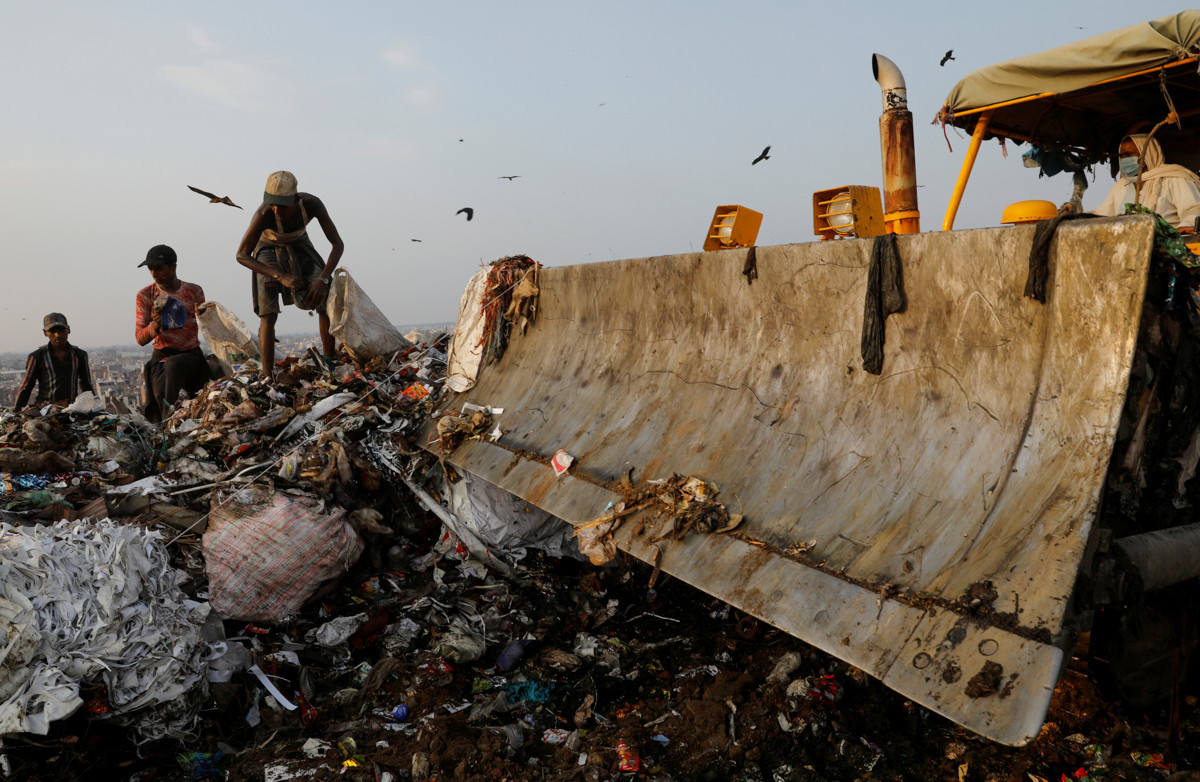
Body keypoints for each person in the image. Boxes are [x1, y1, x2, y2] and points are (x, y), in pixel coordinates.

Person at [235, 170, 344, 379]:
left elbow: (337, 244)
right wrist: (279, 276)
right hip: (267, 248)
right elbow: (241, 255)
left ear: (296, 199)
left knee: (324, 298)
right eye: (273, 204)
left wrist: (323, 279)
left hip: (300, 244)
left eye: (282, 206)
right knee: (268, 313)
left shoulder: (312, 204)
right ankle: (268, 376)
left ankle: (330, 361)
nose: (277, 210)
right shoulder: (263, 214)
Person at [135, 244, 211, 423]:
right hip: (163, 355)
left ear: (173, 267)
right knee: (170, 372)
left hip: (191, 354)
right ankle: (165, 428)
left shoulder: (194, 291)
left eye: (159, 268)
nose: (154, 273)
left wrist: (203, 316)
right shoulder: (146, 295)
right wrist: (155, 324)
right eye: (151, 269)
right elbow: (140, 338)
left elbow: (206, 325)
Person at [1093, 133, 1200, 233]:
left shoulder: (1174, 178)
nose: (1124, 159)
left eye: (1128, 154)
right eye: (1121, 156)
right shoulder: (1122, 184)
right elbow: (1103, 214)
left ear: (1147, 154)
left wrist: (1184, 227)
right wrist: (1079, 218)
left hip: (1168, 246)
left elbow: (1194, 209)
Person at [13, 313, 94, 410]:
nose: (57, 335)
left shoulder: (79, 355)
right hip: (44, 410)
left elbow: (86, 384)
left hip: (70, 409)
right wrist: (17, 412)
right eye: (52, 331)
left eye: (61, 330)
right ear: (45, 333)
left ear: (68, 330)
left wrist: (95, 406)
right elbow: (26, 387)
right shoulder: (37, 357)